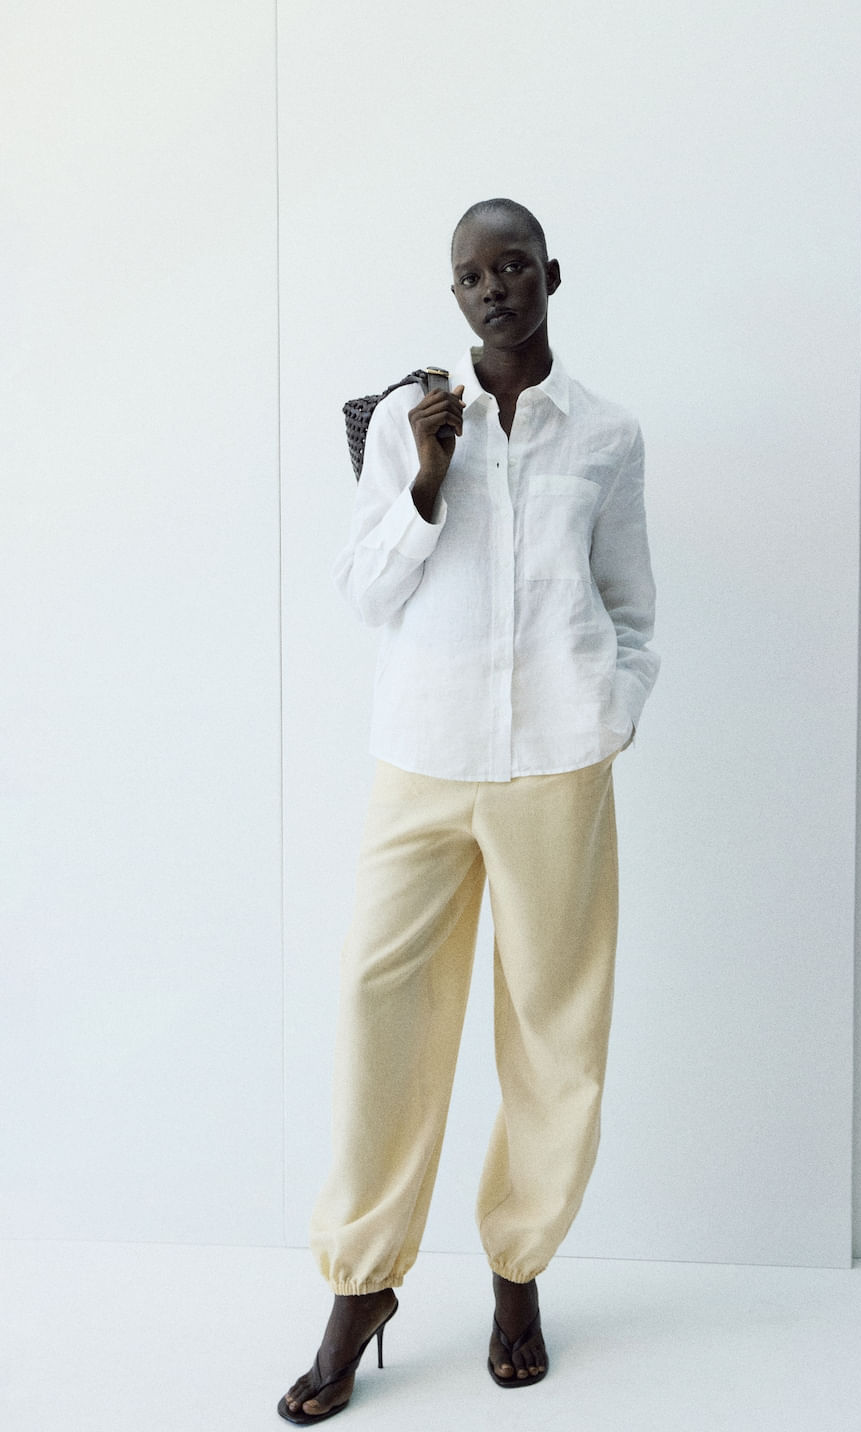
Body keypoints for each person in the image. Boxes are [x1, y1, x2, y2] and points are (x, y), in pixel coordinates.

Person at [279, 198, 659, 1423]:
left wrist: (610, 708)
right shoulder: (407, 419)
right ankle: (362, 1284)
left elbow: (631, 604)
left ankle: (517, 1270)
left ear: (551, 274)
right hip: (423, 755)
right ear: (454, 296)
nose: (494, 287)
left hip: (557, 760)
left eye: (513, 266)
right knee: (378, 1001)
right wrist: (426, 480)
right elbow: (364, 592)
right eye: (471, 274)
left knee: (554, 1026)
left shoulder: (607, 435)